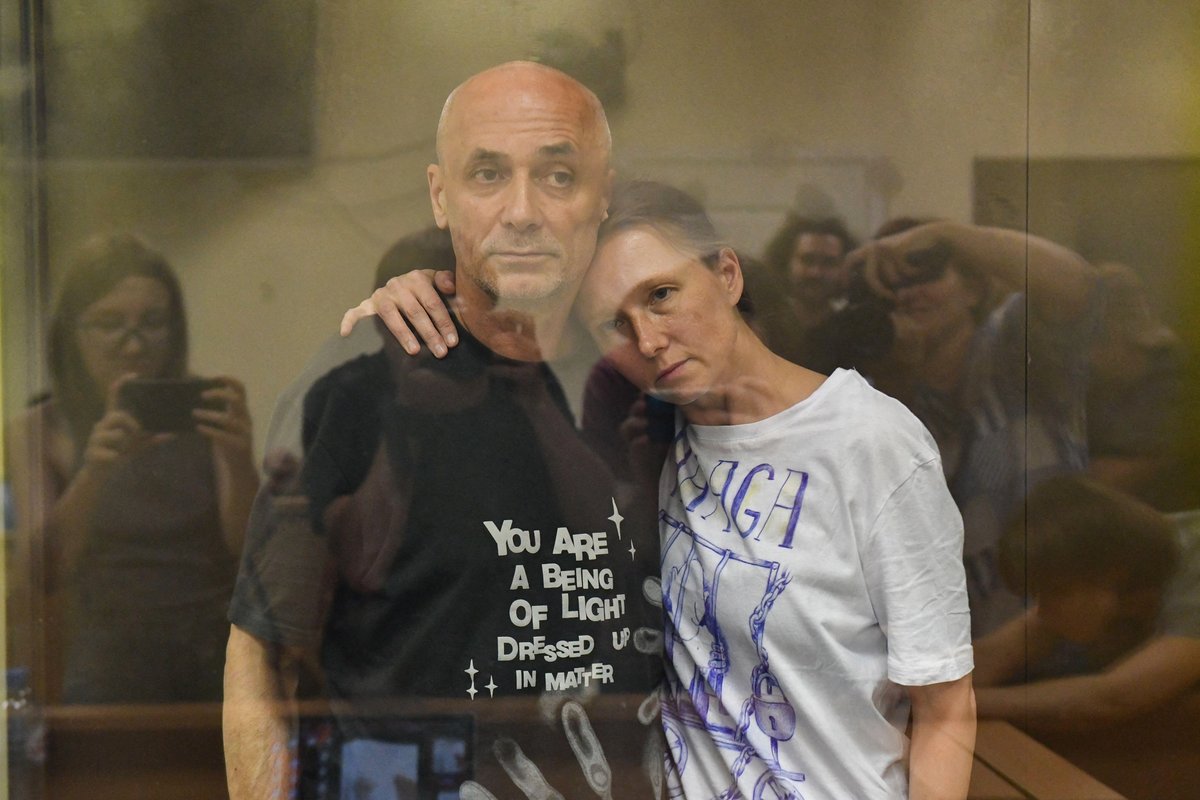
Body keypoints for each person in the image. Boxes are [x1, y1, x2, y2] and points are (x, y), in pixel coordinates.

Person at [353, 181, 977, 799]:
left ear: (727, 275)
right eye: (614, 325)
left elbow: (946, 706)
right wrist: (419, 286)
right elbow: (505, 325)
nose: (648, 341)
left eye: (662, 295)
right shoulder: (653, 435)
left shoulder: (870, 441)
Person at [224, 62, 663, 799]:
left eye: (558, 176)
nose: (522, 211)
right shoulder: (358, 383)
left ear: (604, 194)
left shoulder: (648, 376)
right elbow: (260, 661)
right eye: (487, 175)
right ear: (440, 196)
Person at [5, 232, 257, 704]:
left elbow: (248, 553)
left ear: (175, 329)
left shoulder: (204, 413)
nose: (133, 345)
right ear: (70, 334)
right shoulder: (40, 428)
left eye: (153, 323)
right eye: (109, 323)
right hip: (108, 657)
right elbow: (39, 575)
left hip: (212, 652)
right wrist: (93, 474)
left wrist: (239, 462)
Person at [847, 217, 1098, 636]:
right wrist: (898, 384)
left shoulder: (1013, 345)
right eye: (892, 286)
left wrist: (949, 233)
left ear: (974, 289)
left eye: (926, 274)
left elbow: (1078, 286)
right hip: (966, 647)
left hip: (1069, 625)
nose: (909, 293)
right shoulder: (873, 393)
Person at [972, 474, 1200, 727]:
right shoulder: (1115, 568)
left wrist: (961, 704)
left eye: (1055, 592)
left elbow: (1116, 698)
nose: (1043, 610)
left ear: (1114, 573)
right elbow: (996, 654)